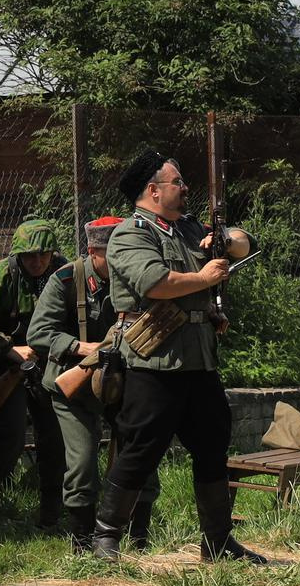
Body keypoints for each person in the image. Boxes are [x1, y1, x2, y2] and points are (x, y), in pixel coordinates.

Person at [96, 150, 260, 564]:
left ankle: (217, 542)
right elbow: (155, 283)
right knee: (141, 448)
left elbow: (246, 245)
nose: (185, 188)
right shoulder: (131, 234)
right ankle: (105, 539)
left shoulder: (187, 228)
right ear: (153, 191)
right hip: (153, 361)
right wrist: (203, 277)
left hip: (198, 360)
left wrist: (226, 241)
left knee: (212, 445)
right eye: (177, 182)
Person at [26, 216, 157, 552]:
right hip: (76, 385)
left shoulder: (137, 278)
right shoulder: (66, 280)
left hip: (123, 381)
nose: (122, 260)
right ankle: (83, 544)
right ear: (93, 251)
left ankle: (139, 539)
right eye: (114, 253)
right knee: (82, 464)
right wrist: (81, 348)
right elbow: (38, 334)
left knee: (141, 453)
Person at [0, 218, 67, 527]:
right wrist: (9, 349)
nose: (37, 261)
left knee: (54, 440)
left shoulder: (64, 273)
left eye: (44, 254)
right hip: (7, 365)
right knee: (9, 438)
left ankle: (52, 514)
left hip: (49, 364)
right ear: (17, 254)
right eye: (29, 255)